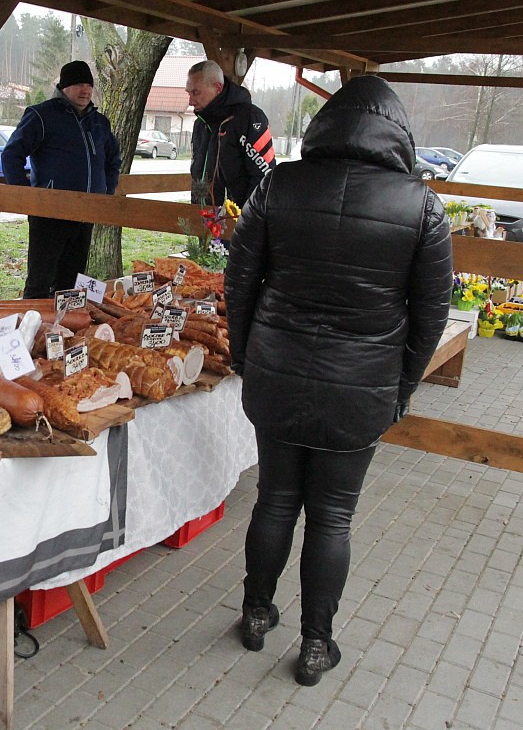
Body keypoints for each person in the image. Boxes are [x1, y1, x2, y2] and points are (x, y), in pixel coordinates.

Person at [224, 75, 453, 687]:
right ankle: (317, 644)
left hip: (277, 371)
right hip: (361, 386)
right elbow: (431, 313)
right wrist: (401, 385)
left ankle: (254, 612)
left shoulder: (281, 185)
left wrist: (246, 354)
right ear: (397, 133)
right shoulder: (421, 205)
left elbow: (239, 280)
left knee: (274, 499)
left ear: (329, 124)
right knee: (332, 517)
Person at [2, 60, 121, 299]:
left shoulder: (99, 122)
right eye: (79, 84)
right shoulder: (41, 115)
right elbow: (12, 154)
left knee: (71, 283)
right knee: (40, 281)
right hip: (49, 215)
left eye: (89, 85)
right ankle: (31, 331)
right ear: (64, 87)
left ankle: (64, 332)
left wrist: (106, 192)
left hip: (86, 214)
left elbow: (113, 159)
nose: (85, 90)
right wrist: (26, 197)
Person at [185, 60, 275, 210]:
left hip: (241, 222)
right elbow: (198, 174)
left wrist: (245, 219)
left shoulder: (250, 118)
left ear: (217, 88)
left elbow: (264, 176)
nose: (191, 101)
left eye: (196, 92)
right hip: (204, 221)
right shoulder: (200, 124)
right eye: (188, 93)